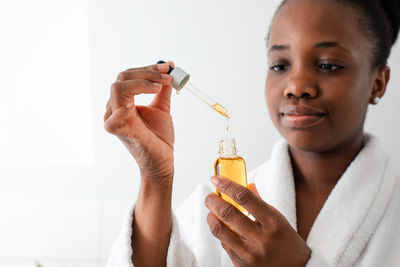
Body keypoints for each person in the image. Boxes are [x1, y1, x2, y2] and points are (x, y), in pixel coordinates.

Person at [104, 0, 400, 266]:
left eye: (328, 65)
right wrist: (155, 175)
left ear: (378, 82)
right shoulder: (215, 205)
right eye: (280, 65)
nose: (296, 86)